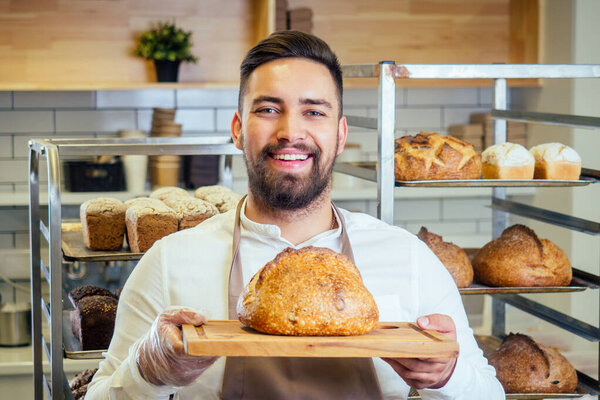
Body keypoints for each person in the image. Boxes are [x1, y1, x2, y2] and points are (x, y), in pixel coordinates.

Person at [86, 31, 504, 399]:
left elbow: (488, 393)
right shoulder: (169, 261)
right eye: (268, 109)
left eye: (314, 111)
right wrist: (148, 374)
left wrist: (448, 376)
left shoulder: (407, 257)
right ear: (237, 129)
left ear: (340, 135)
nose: (290, 130)